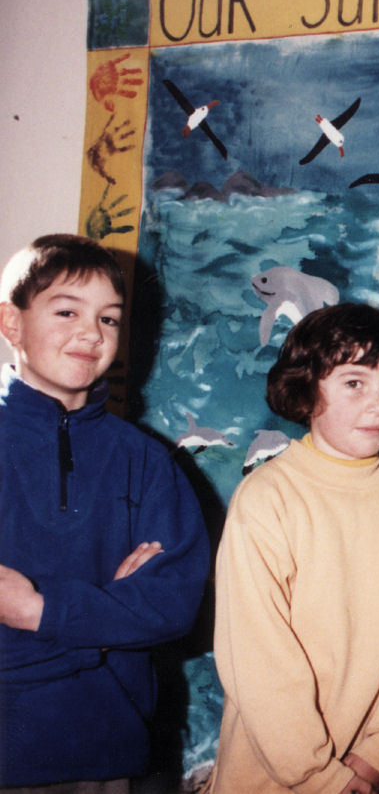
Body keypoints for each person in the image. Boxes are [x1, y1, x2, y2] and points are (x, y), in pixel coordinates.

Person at [208, 303, 379, 794]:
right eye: (354, 382)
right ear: (306, 387)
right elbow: (256, 655)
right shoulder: (267, 497)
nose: (378, 404)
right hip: (275, 774)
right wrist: (321, 776)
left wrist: (378, 757)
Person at [0, 233, 210, 790]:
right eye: (67, 310)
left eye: (110, 319)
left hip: (110, 750)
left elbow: (172, 606)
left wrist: (40, 611)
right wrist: (110, 615)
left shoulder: (146, 460)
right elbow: (137, 614)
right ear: (11, 323)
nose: (91, 333)